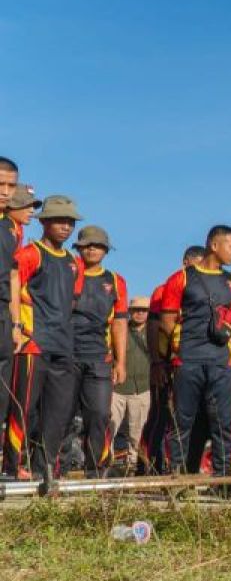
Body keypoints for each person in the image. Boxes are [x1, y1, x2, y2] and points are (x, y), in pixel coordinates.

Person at [8, 195, 84, 482]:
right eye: (60, 220)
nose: (66, 226)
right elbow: (13, 289)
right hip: (33, 343)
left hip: (63, 345)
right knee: (24, 408)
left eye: (70, 222)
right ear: (45, 222)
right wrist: (18, 328)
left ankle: (47, 468)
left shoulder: (74, 263)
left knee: (59, 413)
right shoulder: (30, 254)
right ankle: (12, 467)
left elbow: (71, 302)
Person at [159, 225, 231, 477]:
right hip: (188, 361)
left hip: (220, 364)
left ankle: (222, 479)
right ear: (214, 245)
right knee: (181, 422)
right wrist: (172, 353)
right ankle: (175, 477)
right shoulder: (181, 278)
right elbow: (166, 322)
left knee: (222, 424)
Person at [69, 226, 129, 476]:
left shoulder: (115, 281)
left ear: (106, 250)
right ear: (79, 248)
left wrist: (120, 362)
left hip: (98, 356)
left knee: (99, 414)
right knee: (63, 414)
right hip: (66, 353)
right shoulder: (69, 270)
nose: (92, 248)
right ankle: (58, 469)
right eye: (87, 244)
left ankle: (96, 470)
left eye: (98, 245)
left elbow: (119, 323)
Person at [144, 245, 205, 474]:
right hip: (166, 361)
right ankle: (150, 465)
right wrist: (156, 362)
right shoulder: (165, 289)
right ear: (185, 262)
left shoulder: (207, 292)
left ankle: (184, 467)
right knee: (161, 413)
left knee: (187, 416)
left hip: (191, 363)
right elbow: (153, 327)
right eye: (195, 264)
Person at [1, 182, 39, 466]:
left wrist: (14, 325)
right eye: (26, 206)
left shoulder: (16, 233)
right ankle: (11, 462)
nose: (31, 212)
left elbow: (13, 280)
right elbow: (18, 280)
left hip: (11, 322)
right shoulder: (23, 248)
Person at [111, 296, 152, 475]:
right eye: (136, 310)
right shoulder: (120, 329)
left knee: (137, 433)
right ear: (129, 311)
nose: (140, 313)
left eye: (144, 310)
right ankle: (106, 466)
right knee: (109, 428)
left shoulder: (153, 332)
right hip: (117, 388)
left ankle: (133, 468)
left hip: (142, 389)